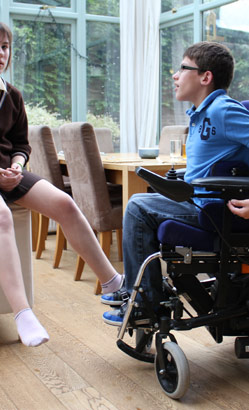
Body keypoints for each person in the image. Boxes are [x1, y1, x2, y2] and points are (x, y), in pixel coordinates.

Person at [0, 19, 123, 346]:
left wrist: (16, 165)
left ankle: (114, 285)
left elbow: (20, 144)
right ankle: (22, 313)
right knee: (0, 216)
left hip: (5, 172)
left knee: (66, 204)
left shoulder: (11, 95)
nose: (0, 53)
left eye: (5, 47)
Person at [102, 41, 249, 326]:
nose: (175, 75)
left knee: (137, 207)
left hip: (215, 209)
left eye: (183, 68)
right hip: (201, 202)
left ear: (205, 77)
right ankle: (141, 296)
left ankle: (143, 303)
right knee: (141, 203)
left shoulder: (222, 110)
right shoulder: (200, 114)